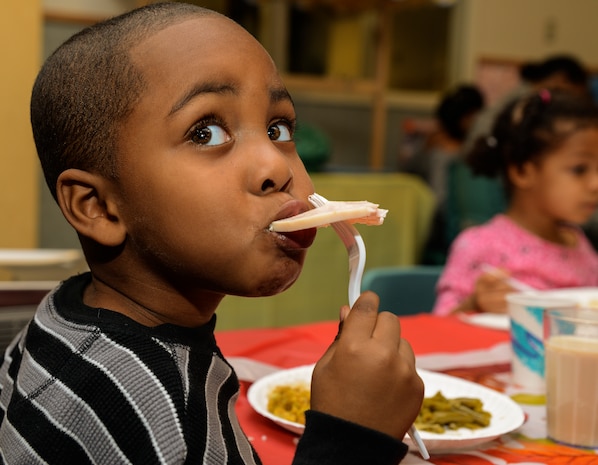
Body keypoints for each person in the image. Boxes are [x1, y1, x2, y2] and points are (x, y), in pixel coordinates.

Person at [0, 3, 424, 464]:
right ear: (98, 206)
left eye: (278, 128)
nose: (276, 167)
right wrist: (351, 441)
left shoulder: (70, 314)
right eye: (206, 134)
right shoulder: (147, 406)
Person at [433, 89, 598, 316]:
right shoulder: (478, 245)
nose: (595, 183)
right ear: (522, 171)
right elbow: (439, 327)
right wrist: (475, 304)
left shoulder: (578, 243)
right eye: (579, 169)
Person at [403, 84, 485, 263]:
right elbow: (440, 203)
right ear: (466, 118)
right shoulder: (443, 153)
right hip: (438, 239)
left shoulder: (431, 144)